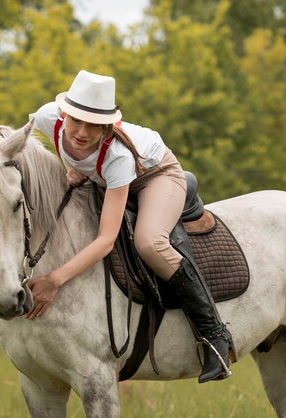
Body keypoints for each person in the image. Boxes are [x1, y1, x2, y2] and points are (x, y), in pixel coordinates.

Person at [25, 70, 233, 383]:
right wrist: (72, 167)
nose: (80, 132)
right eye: (75, 120)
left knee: (149, 242)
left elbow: (106, 240)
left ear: (107, 126)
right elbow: (63, 148)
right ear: (63, 113)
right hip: (107, 178)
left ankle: (215, 335)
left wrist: (55, 279)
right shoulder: (45, 118)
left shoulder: (117, 155)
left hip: (156, 175)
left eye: (93, 125)